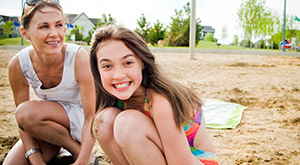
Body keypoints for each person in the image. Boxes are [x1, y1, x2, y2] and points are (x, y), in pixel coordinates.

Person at [89, 25, 218, 165]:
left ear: (142, 62)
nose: (118, 75)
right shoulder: (112, 101)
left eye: (128, 63)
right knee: (103, 122)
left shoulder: (160, 101)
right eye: (107, 66)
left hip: (194, 161)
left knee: (127, 124)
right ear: (98, 70)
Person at [4, 0, 97, 164]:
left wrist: (82, 160)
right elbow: (23, 123)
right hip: (48, 127)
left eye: (59, 25)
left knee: (26, 112)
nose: (54, 33)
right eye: (44, 26)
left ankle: (82, 154)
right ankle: (65, 147)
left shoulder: (78, 57)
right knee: (12, 164)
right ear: (25, 33)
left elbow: (91, 117)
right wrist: (35, 158)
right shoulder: (18, 65)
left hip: (82, 122)